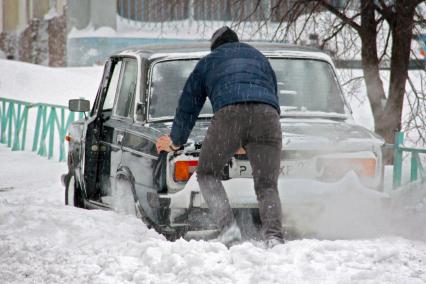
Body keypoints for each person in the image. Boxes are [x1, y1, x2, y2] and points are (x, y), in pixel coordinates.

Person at [156, 26, 284, 247]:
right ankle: (274, 237)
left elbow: (189, 105)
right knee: (267, 184)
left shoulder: (209, 61)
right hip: (268, 116)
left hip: (230, 115)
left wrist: (176, 141)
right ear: (236, 42)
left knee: (206, 173)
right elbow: (271, 93)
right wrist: (250, 138)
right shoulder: (258, 57)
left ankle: (229, 229)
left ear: (215, 46)